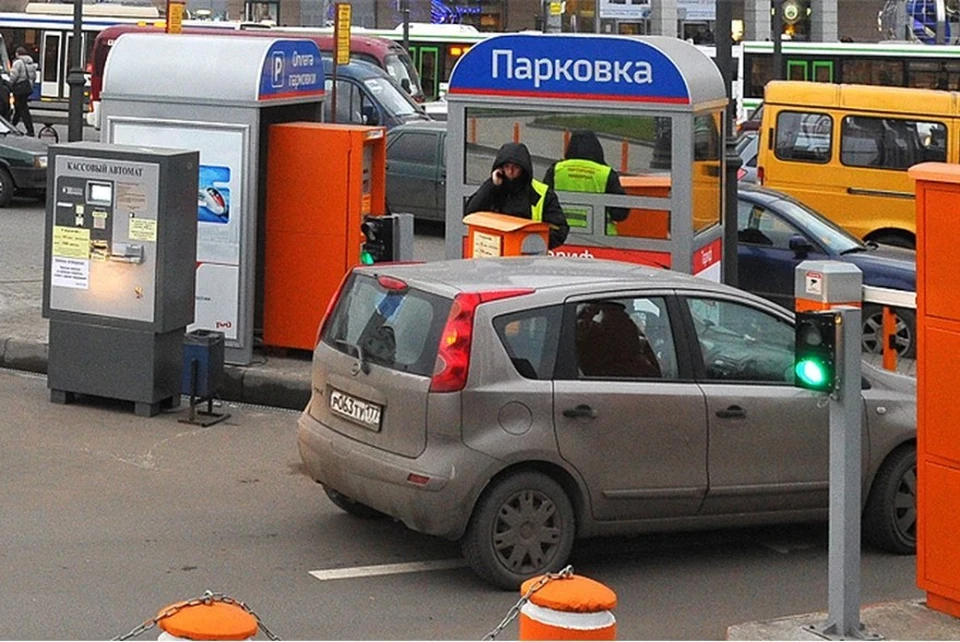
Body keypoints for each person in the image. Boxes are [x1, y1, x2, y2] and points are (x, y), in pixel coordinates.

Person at [464, 142, 569, 249]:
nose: (510, 171)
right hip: (494, 255)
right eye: (506, 166)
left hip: (527, 258)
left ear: (523, 168)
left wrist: (533, 244)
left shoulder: (540, 193)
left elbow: (559, 229)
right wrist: (491, 185)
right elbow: (470, 213)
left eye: (515, 167)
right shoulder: (493, 188)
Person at [542, 130, 629, 236]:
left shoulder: (556, 170)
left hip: (560, 235)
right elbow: (620, 214)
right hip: (600, 238)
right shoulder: (606, 173)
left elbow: (543, 203)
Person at [9, 45, 37, 137]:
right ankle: (12, 127)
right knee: (19, 108)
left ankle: (30, 130)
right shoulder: (31, 63)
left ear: (18, 53)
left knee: (23, 109)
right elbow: (34, 77)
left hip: (19, 89)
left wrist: (9, 84)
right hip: (26, 89)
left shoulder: (18, 63)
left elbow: (14, 76)